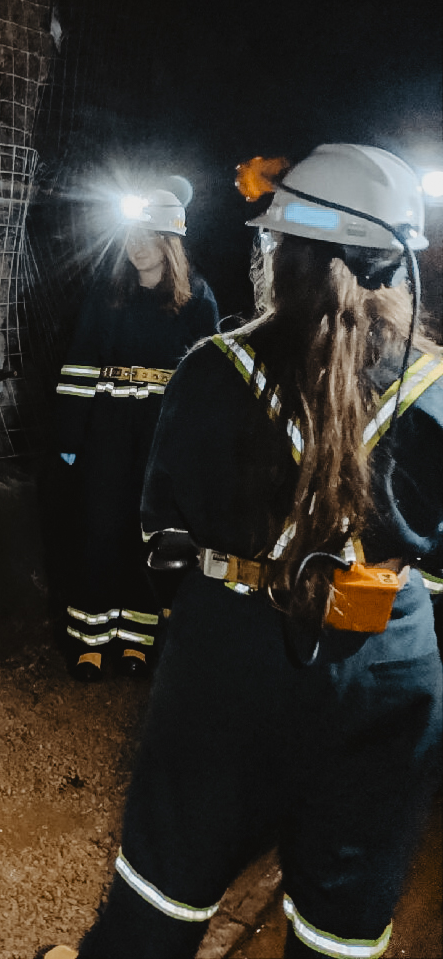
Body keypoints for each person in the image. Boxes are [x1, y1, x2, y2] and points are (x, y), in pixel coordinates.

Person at [44, 144, 443, 959]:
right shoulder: (435, 388)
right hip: (390, 669)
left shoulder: (217, 371)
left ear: (288, 256)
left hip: (235, 651)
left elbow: (164, 527)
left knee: (163, 892)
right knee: (341, 926)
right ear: (399, 261)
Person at [53, 185, 218, 680]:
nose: (137, 245)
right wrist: (69, 435)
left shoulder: (197, 299)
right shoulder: (108, 295)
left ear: (171, 241)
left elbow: (205, 380)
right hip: (107, 428)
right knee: (99, 528)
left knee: (147, 536)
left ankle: (137, 642)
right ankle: (89, 641)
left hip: (158, 434)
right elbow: (80, 364)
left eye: (149, 235)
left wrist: (194, 446)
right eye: (131, 235)